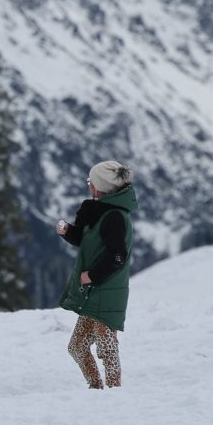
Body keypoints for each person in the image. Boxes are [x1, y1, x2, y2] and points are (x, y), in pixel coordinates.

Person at [57, 161, 137, 389]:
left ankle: (113, 391)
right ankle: (96, 388)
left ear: (100, 186)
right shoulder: (100, 212)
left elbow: (117, 256)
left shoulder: (114, 216)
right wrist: (68, 232)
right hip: (95, 291)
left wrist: (93, 275)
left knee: (106, 346)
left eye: (90, 182)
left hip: (106, 290)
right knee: (77, 347)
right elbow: (88, 241)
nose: (88, 185)